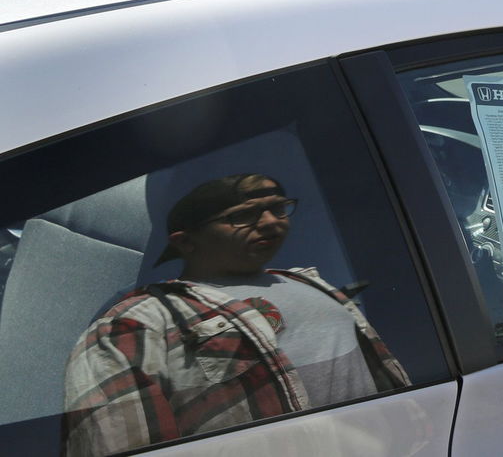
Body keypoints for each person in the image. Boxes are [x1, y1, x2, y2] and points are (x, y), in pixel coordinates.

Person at [63, 173, 407, 456]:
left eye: (278, 208)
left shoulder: (312, 282)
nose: (271, 223)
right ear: (185, 242)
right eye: (243, 216)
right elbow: (116, 442)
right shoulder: (133, 326)